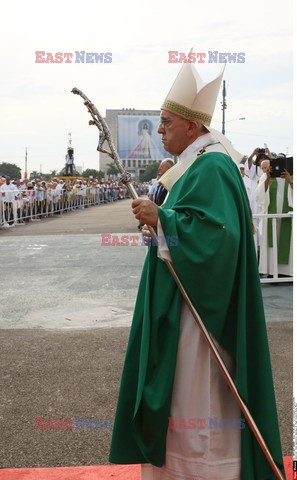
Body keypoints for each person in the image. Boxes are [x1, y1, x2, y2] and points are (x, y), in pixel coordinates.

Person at [109, 59, 284, 479]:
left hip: (200, 319)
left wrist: (164, 221)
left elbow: (220, 240)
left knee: (197, 402)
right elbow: (197, 227)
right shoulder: (196, 165)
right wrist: (160, 225)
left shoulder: (212, 165)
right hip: (185, 305)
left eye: (167, 122)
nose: (162, 129)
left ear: (191, 125)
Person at [255, 160, 293, 276]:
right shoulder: (266, 177)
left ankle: (285, 272)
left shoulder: (291, 177)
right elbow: (260, 194)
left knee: (285, 241)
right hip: (272, 217)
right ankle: (272, 271)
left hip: (287, 216)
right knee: (272, 243)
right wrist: (267, 177)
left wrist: (290, 181)